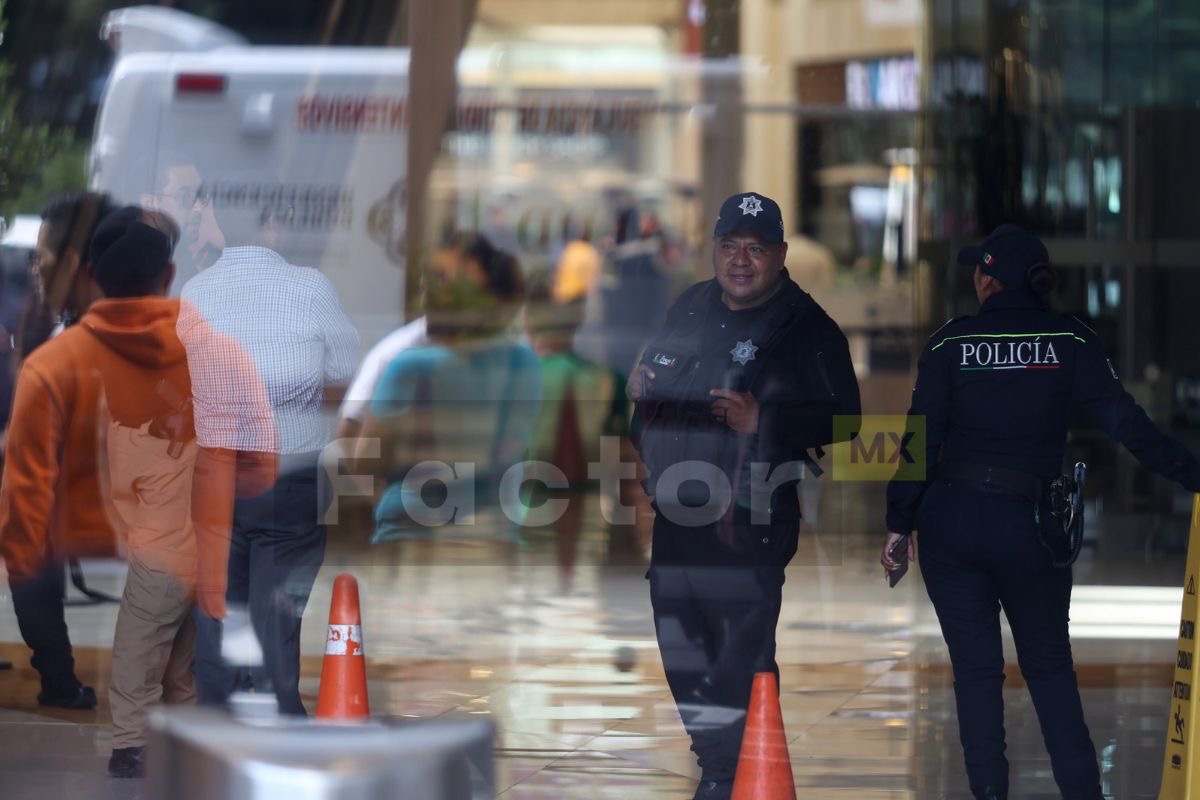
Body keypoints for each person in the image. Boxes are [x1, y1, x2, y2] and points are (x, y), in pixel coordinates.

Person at [881, 225, 1200, 800]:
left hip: (952, 524)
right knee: (1049, 668)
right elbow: (1127, 426)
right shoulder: (1070, 341)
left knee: (976, 674)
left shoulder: (950, 344)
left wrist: (899, 522)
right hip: (1031, 526)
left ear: (986, 280)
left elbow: (919, 441)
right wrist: (1193, 474)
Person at [628, 192, 861, 800]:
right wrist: (640, 397)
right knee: (682, 648)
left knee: (741, 654)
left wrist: (768, 420)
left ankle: (735, 774)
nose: (740, 261)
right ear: (714, 249)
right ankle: (719, 763)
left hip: (751, 515)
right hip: (677, 513)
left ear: (780, 255)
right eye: (729, 246)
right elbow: (650, 392)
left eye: (755, 249)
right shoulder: (689, 306)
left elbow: (847, 420)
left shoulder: (806, 328)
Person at [177, 199, 359, 715]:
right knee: (277, 610)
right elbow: (347, 368)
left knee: (218, 608)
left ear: (219, 227)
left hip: (216, 472)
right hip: (289, 470)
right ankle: (279, 720)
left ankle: (218, 722)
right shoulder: (311, 286)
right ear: (275, 224)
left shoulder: (197, 290)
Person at [75, 206, 198, 778]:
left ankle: (144, 740)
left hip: (162, 509)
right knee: (168, 628)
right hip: (179, 504)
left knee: (150, 625)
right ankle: (160, 736)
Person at [0, 191, 117, 710]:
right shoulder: (39, 314)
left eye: (42, 256)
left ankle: (60, 677)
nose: (34, 266)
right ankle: (58, 677)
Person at [354, 233, 539, 545]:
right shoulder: (523, 363)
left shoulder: (411, 365)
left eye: (440, 281)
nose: (426, 291)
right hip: (493, 530)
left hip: (411, 530)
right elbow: (517, 445)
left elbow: (367, 459)